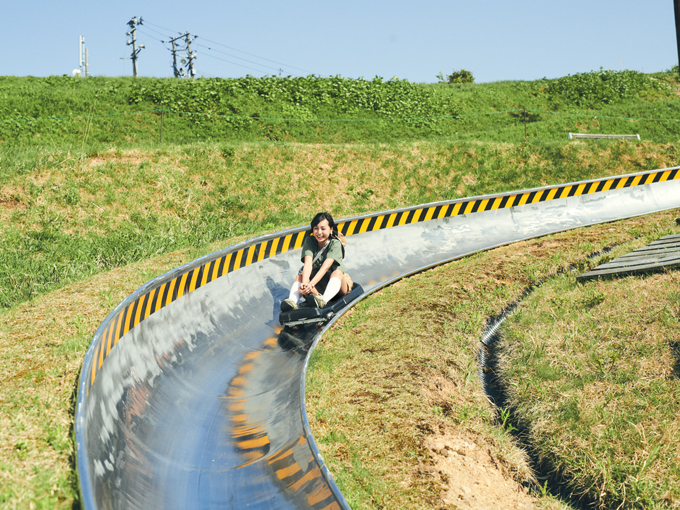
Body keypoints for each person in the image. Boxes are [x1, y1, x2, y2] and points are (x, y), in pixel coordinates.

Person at [281, 212, 353, 311]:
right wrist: (306, 284)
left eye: (323, 229)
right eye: (316, 228)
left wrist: (311, 284)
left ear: (331, 229)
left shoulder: (335, 243)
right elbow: (308, 264)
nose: (319, 232)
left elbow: (325, 267)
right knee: (300, 277)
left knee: (337, 273)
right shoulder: (310, 241)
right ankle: (292, 301)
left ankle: (323, 301)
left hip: (337, 287)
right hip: (317, 287)